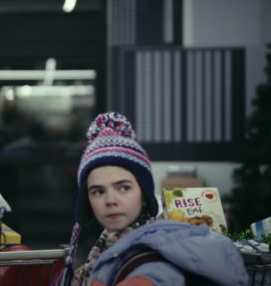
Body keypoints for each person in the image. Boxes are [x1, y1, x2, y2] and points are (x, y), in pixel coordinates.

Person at [52, 112, 248, 286]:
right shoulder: (108, 246)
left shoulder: (148, 264)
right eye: (98, 191)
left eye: (123, 188)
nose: (110, 200)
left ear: (144, 195)